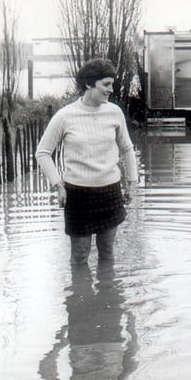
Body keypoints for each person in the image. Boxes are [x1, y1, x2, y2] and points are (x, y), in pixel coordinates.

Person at [35, 58, 138, 266]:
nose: (111, 90)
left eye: (112, 84)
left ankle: (107, 296)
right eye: (106, 84)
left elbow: (127, 149)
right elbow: (43, 153)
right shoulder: (65, 116)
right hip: (78, 194)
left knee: (107, 252)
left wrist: (132, 183)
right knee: (80, 256)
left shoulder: (114, 112)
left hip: (110, 191)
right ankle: (79, 295)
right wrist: (59, 186)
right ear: (90, 83)